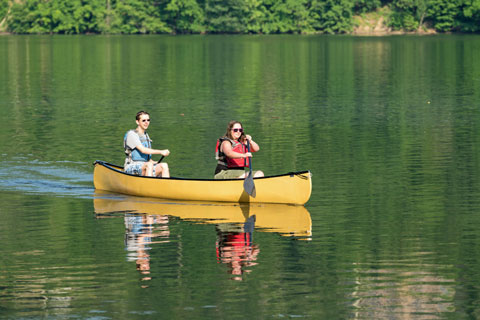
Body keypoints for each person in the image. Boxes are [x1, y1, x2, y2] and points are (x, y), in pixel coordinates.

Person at [124, 111, 170, 177]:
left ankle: (165, 186)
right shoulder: (131, 134)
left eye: (148, 120)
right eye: (143, 120)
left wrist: (154, 162)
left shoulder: (146, 135)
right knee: (149, 165)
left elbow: (146, 157)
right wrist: (161, 152)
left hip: (146, 165)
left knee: (164, 165)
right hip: (131, 166)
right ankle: (149, 186)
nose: (146, 122)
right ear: (137, 122)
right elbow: (143, 150)